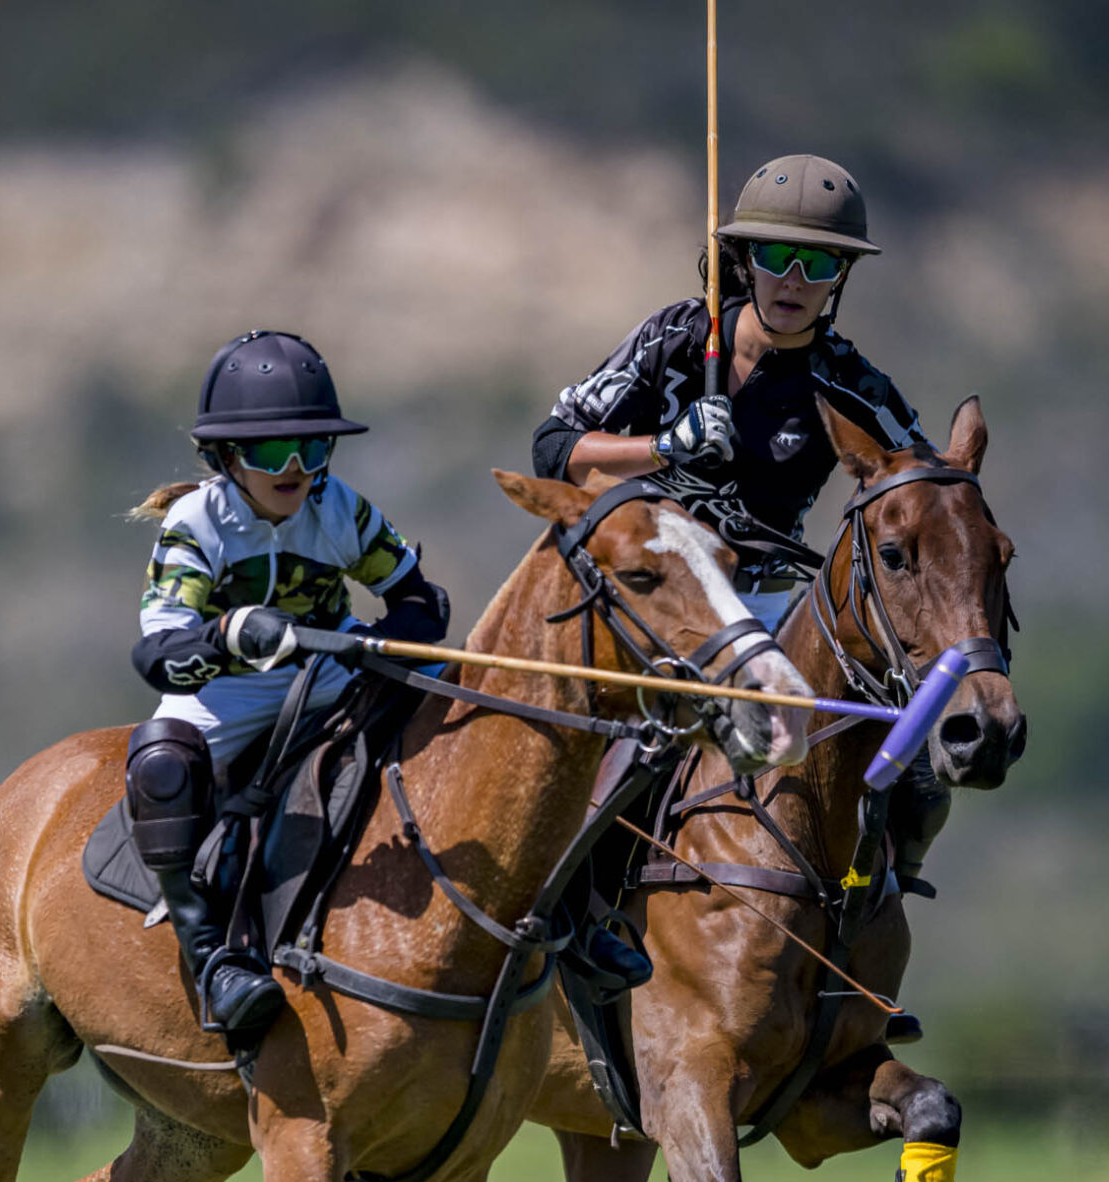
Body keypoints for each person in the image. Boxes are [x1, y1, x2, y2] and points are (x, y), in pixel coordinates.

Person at [531, 152, 954, 907]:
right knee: (618, 764)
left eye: (817, 263)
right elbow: (555, 448)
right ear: (743, 260)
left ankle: (869, 910)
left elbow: (923, 486)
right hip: (651, 600)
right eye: (775, 256)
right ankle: (575, 919)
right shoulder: (674, 338)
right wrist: (664, 447)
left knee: (915, 782)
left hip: (763, 604)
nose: (793, 280)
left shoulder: (850, 383)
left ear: (839, 278)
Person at [124, 330, 449, 1035]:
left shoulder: (342, 508)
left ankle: (576, 913)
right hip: (227, 691)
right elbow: (157, 654)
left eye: (313, 447)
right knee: (162, 764)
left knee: (467, 704)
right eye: (273, 451)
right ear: (227, 458)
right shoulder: (196, 523)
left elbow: (422, 603)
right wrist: (228, 633)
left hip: (331, 674)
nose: (296, 468)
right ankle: (213, 961)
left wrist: (374, 640)